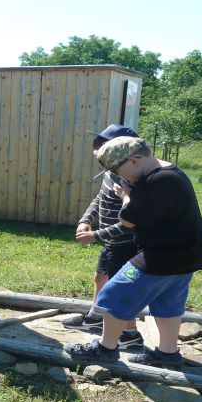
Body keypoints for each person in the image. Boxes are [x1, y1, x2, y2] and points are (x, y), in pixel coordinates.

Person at [66, 136, 202, 367]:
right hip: (188, 254)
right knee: (167, 303)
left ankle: (106, 348)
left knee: (112, 294)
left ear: (133, 160)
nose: (118, 176)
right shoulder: (169, 173)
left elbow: (128, 218)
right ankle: (168, 353)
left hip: (162, 256)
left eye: (117, 170)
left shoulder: (157, 182)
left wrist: (126, 196)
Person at [62, 124, 144, 350]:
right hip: (110, 241)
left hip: (126, 243)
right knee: (100, 277)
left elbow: (129, 223)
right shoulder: (111, 170)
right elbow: (99, 198)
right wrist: (85, 220)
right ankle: (95, 317)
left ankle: (130, 333)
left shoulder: (129, 178)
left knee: (121, 290)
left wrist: (95, 235)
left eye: (102, 145)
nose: (96, 150)